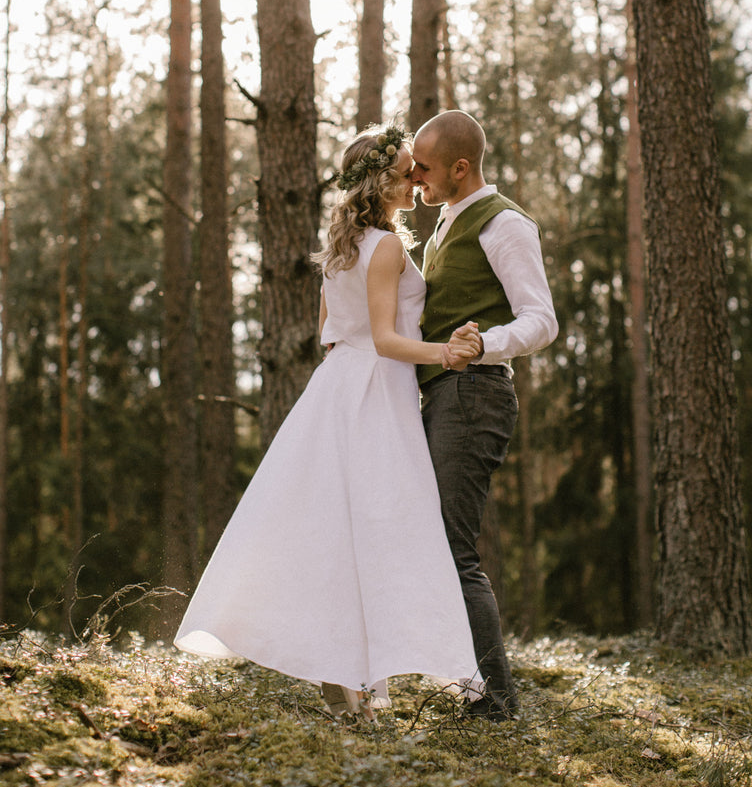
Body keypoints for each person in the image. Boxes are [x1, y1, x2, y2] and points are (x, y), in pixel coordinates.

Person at [175, 124, 481, 720]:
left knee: (336, 535)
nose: (416, 176)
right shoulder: (388, 246)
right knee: (385, 529)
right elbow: (389, 340)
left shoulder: (344, 244)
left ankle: (346, 680)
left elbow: (327, 331)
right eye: (405, 168)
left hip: (336, 389)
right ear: (384, 181)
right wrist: (446, 351)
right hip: (374, 396)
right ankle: (362, 678)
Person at [411, 110, 558, 722]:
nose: (413, 175)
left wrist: (484, 344)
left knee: (454, 548)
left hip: (475, 395)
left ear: (459, 167)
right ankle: (471, 687)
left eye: (423, 166)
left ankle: (494, 702)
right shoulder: (446, 222)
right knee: (436, 542)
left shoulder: (504, 225)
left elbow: (541, 320)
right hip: (446, 394)